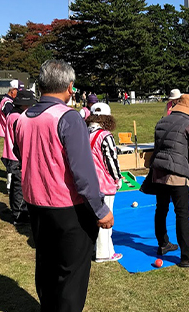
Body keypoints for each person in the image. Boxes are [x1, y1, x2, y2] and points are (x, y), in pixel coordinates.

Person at [14, 59, 113, 312]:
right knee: (71, 278)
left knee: (47, 269)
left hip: (36, 205)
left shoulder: (23, 117)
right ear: (70, 87)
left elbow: (19, 152)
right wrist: (101, 210)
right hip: (68, 208)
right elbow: (83, 172)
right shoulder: (68, 117)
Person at [151, 94, 189, 267]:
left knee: (161, 209)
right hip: (178, 173)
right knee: (182, 213)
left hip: (159, 172)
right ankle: (187, 255)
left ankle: (163, 244)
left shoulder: (162, 121)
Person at [86, 103, 123, 263]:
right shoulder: (105, 136)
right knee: (105, 219)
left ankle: (94, 248)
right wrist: (117, 178)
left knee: (92, 218)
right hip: (104, 183)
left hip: (88, 182)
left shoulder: (84, 133)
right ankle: (104, 253)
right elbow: (111, 160)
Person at [2, 90, 36, 225]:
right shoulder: (18, 117)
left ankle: (17, 212)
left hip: (11, 155)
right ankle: (19, 215)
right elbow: (21, 139)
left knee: (16, 185)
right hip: (16, 156)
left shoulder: (12, 114)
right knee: (20, 187)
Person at [0, 79, 22, 194]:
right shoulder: (7, 102)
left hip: (8, 131)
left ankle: (10, 184)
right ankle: (10, 185)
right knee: (12, 157)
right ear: (13, 91)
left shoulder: (9, 101)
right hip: (8, 132)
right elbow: (11, 117)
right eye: (18, 91)